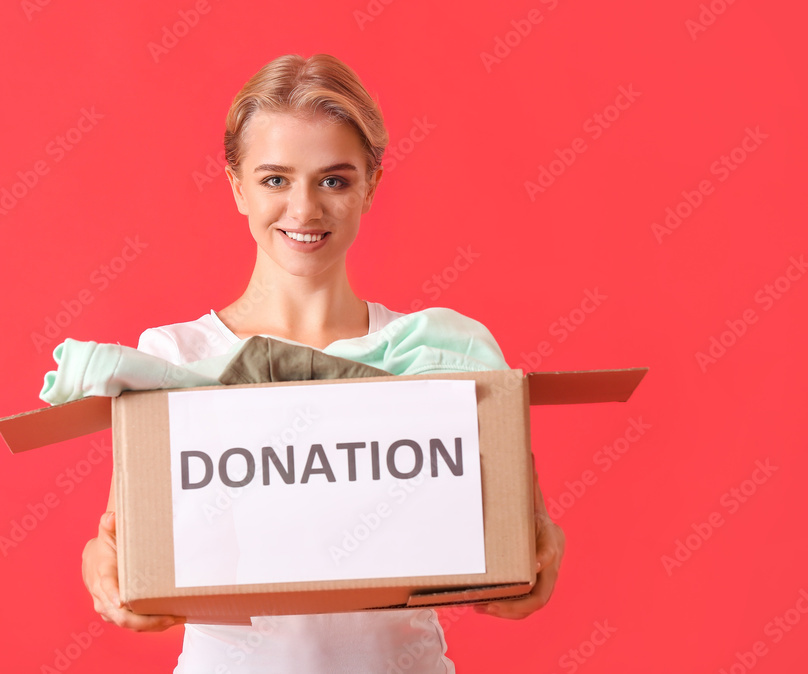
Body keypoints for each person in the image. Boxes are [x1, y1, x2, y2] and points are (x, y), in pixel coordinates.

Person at [81, 53, 565, 673]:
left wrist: (536, 552)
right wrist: (102, 567)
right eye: (275, 180)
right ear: (235, 185)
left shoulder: (432, 356)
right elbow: (121, 540)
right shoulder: (174, 361)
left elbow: (519, 535)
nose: (304, 211)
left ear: (371, 184)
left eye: (333, 180)